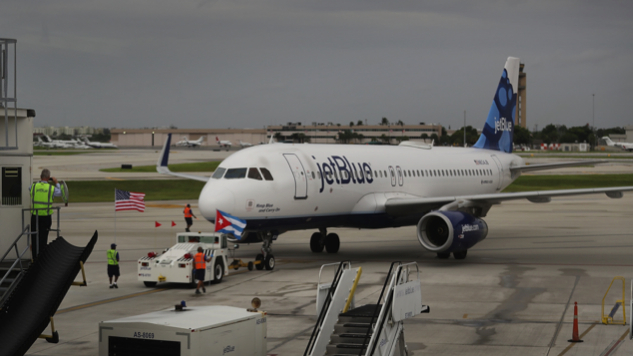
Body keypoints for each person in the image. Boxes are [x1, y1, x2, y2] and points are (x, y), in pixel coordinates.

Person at [29, 168, 62, 258]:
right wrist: (56, 182)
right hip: (45, 217)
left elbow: (29, 189)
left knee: (34, 238)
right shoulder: (51, 188)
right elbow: (60, 193)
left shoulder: (34, 186)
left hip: (35, 216)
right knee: (43, 239)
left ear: (40, 177)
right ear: (48, 178)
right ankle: (41, 258)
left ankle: (34, 259)